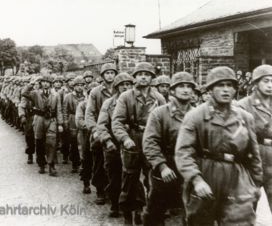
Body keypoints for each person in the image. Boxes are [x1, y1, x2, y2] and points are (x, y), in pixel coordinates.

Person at [175, 66, 263, 225]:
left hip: (237, 177)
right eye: (220, 85)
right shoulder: (196, 116)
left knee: (240, 221)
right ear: (210, 89)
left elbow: (254, 154)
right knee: (200, 220)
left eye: (230, 85)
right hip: (206, 173)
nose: (225, 90)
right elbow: (184, 152)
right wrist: (196, 180)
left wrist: (256, 183)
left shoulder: (244, 117)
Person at [112, 62, 166, 225]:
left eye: (147, 74)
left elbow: (165, 122)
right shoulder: (126, 97)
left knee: (154, 179)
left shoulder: (159, 98)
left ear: (151, 78)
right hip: (133, 139)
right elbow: (117, 121)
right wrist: (125, 138)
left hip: (152, 140)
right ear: (135, 77)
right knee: (130, 178)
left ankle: (150, 212)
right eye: (140, 74)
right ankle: (130, 212)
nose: (143, 77)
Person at [142, 72, 196, 225]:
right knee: (155, 214)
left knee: (193, 213)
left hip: (190, 167)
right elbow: (150, 142)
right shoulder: (159, 114)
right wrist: (162, 166)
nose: (185, 90)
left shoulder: (198, 113)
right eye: (181, 86)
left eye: (189, 87)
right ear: (172, 91)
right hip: (166, 166)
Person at [97, 72, 133, 218]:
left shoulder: (134, 102)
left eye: (128, 84)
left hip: (131, 145)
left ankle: (130, 207)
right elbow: (101, 125)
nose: (126, 87)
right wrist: (107, 140)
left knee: (131, 178)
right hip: (113, 145)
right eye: (122, 85)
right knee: (114, 176)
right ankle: (114, 203)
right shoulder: (109, 103)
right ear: (117, 87)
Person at [238, 64, 272, 212]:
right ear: (256, 83)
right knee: (249, 203)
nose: (270, 85)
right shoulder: (244, 105)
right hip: (255, 155)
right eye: (266, 81)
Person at [86, 63, 118, 205]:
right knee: (99, 160)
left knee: (117, 163)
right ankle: (100, 189)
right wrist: (94, 130)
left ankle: (116, 192)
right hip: (101, 129)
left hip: (118, 129)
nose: (110, 75)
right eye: (107, 73)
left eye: (112, 72)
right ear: (103, 75)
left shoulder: (121, 90)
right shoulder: (96, 92)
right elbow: (90, 113)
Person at [22, 75, 63, 176]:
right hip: (39, 119)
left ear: (50, 84)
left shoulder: (56, 95)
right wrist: (31, 83)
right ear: (41, 83)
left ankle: (51, 165)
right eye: (43, 82)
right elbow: (24, 93)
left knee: (51, 142)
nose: (45, 84)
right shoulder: (36, 93)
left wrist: (60, 124)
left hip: (51, 119)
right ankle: (41, 164)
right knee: (39, 141)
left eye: (48, 82)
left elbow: (59, 109)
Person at [76, 81, 99, 194]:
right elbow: (79, 120)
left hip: (100, 134)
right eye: (90, 93)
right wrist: (89, 126)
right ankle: (86, 182)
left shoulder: (101, 104)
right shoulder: (83, 105)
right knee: (86, 159)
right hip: (86, 134)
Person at [63, 76, 86, 173]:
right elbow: (65, 110)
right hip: (72, 119)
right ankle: (75, 163)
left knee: (84, 142)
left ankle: (83, 163)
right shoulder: (68, 96)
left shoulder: (86, 96)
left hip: (83, 119)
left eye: (81, 85)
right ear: (74, 86)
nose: (79, 87)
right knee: (74, 142)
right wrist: (65, 121)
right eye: (77, 85)